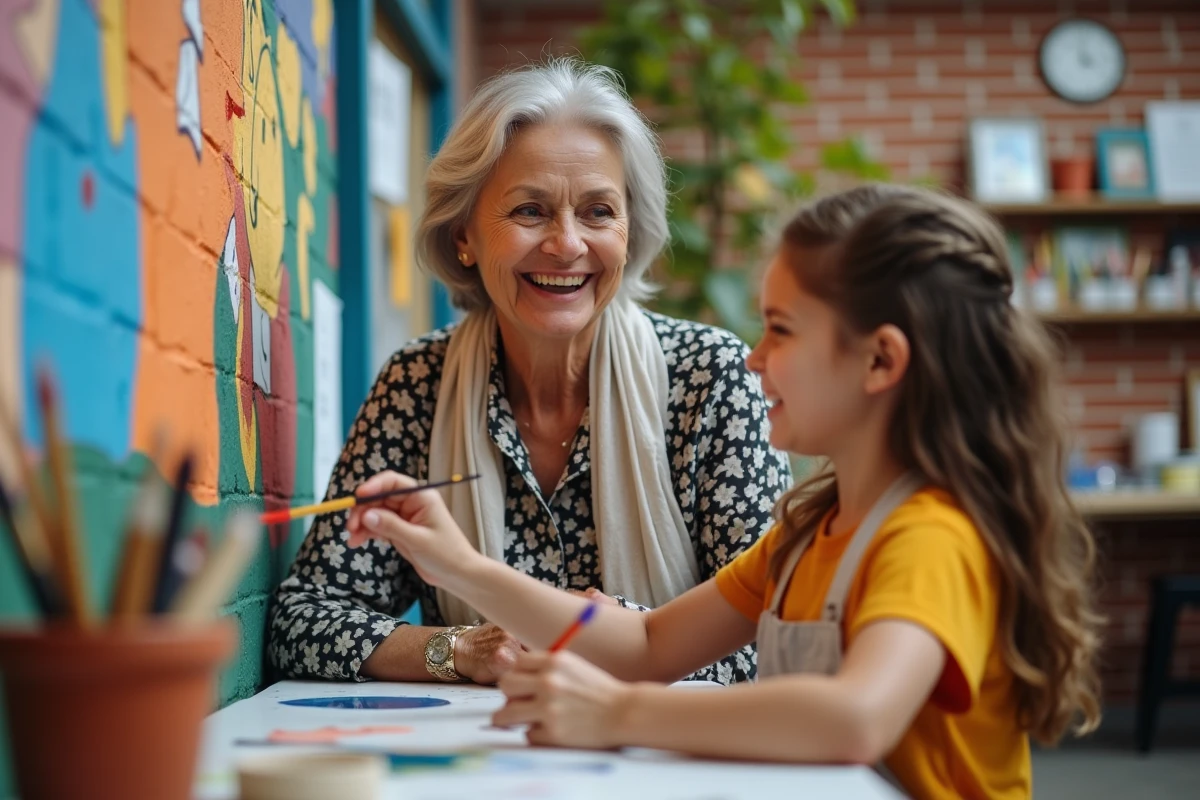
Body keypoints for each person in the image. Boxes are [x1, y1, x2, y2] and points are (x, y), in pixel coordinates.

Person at [345, 185, 1104, 799]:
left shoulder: (930, 537)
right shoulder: (810, 531)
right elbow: (648, 645)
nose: (754, 358)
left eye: (781, 330)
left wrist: (617, 713)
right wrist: (461, 567)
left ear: (879, 361)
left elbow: (853, 719)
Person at [267, 58, 790, 686]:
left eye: (598, 212)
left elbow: (779, 632)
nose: (566, 244)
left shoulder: (711, 380)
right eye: (529, 211)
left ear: (630, 230)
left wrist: (611, 640)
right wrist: (461, 649)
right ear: (463, 235)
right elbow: (302, 620)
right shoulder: (417, 385)